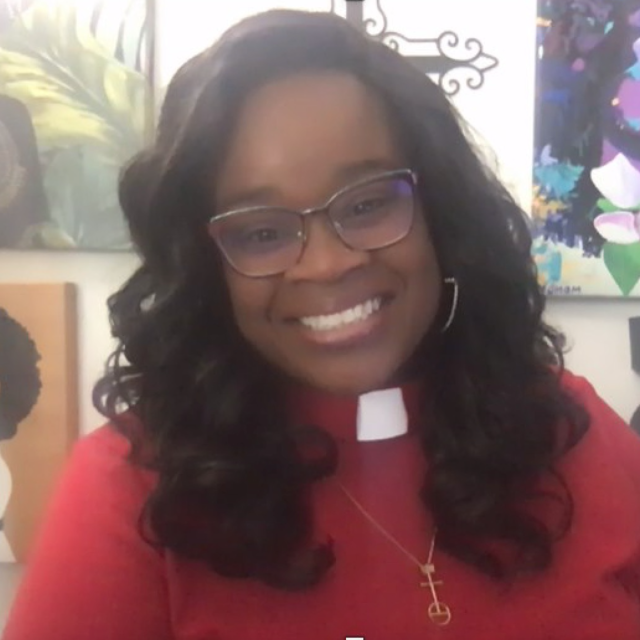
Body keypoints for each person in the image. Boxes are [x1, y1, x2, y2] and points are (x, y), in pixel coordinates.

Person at [5, 9, 640, 640]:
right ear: (206, 269)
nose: (330, 264)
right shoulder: (131, 491)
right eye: (261, 232)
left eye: (367, 204)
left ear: (440, 214)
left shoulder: (567, 430)